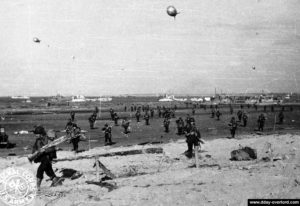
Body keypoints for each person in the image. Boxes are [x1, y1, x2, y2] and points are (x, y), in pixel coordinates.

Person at [32, 126, 62, 191]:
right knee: (48, 171)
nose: (35, 135)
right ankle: (57, 182)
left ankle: (37, 187)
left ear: (41, 134)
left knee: (40, 169)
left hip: (48, 157)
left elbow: (52, 148)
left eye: (37, 134)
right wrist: (34, 157)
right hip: (43, 157)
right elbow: (35, 149)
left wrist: (45, 151)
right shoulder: (38, 140)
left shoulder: (48, 139)